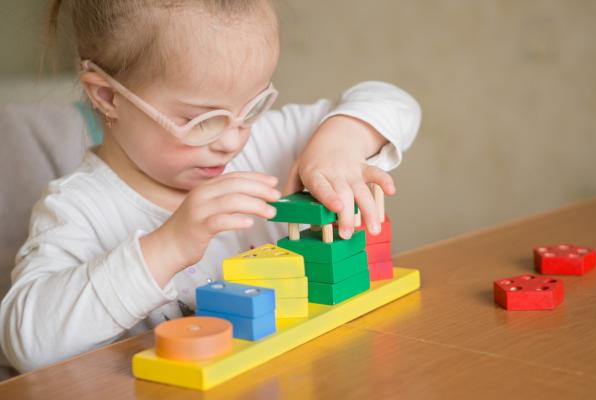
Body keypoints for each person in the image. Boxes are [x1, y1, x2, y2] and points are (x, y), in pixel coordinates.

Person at [0, 0, 421, 372]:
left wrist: (339, 144)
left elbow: (392, 100)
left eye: (252, 106)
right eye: (200, 121)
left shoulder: (263, 144)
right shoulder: (79, 207)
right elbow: (26, 343)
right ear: (108, 97)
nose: (232, 140)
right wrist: (168, 245)